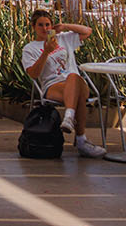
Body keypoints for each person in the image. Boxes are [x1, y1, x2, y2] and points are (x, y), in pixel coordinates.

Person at [21, 10, 107, 158]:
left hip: (76, 82)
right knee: (77, 91)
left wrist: (65, 26)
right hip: (53, 85)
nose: (45, 28)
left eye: (47, 24)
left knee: (73, 76)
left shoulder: (63, 39)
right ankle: (81, 141)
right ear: (33, 27)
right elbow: (33, 74)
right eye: (40, 25)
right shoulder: (30, 48)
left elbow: (88, 31)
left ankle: (69, 117)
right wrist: (46, 52)